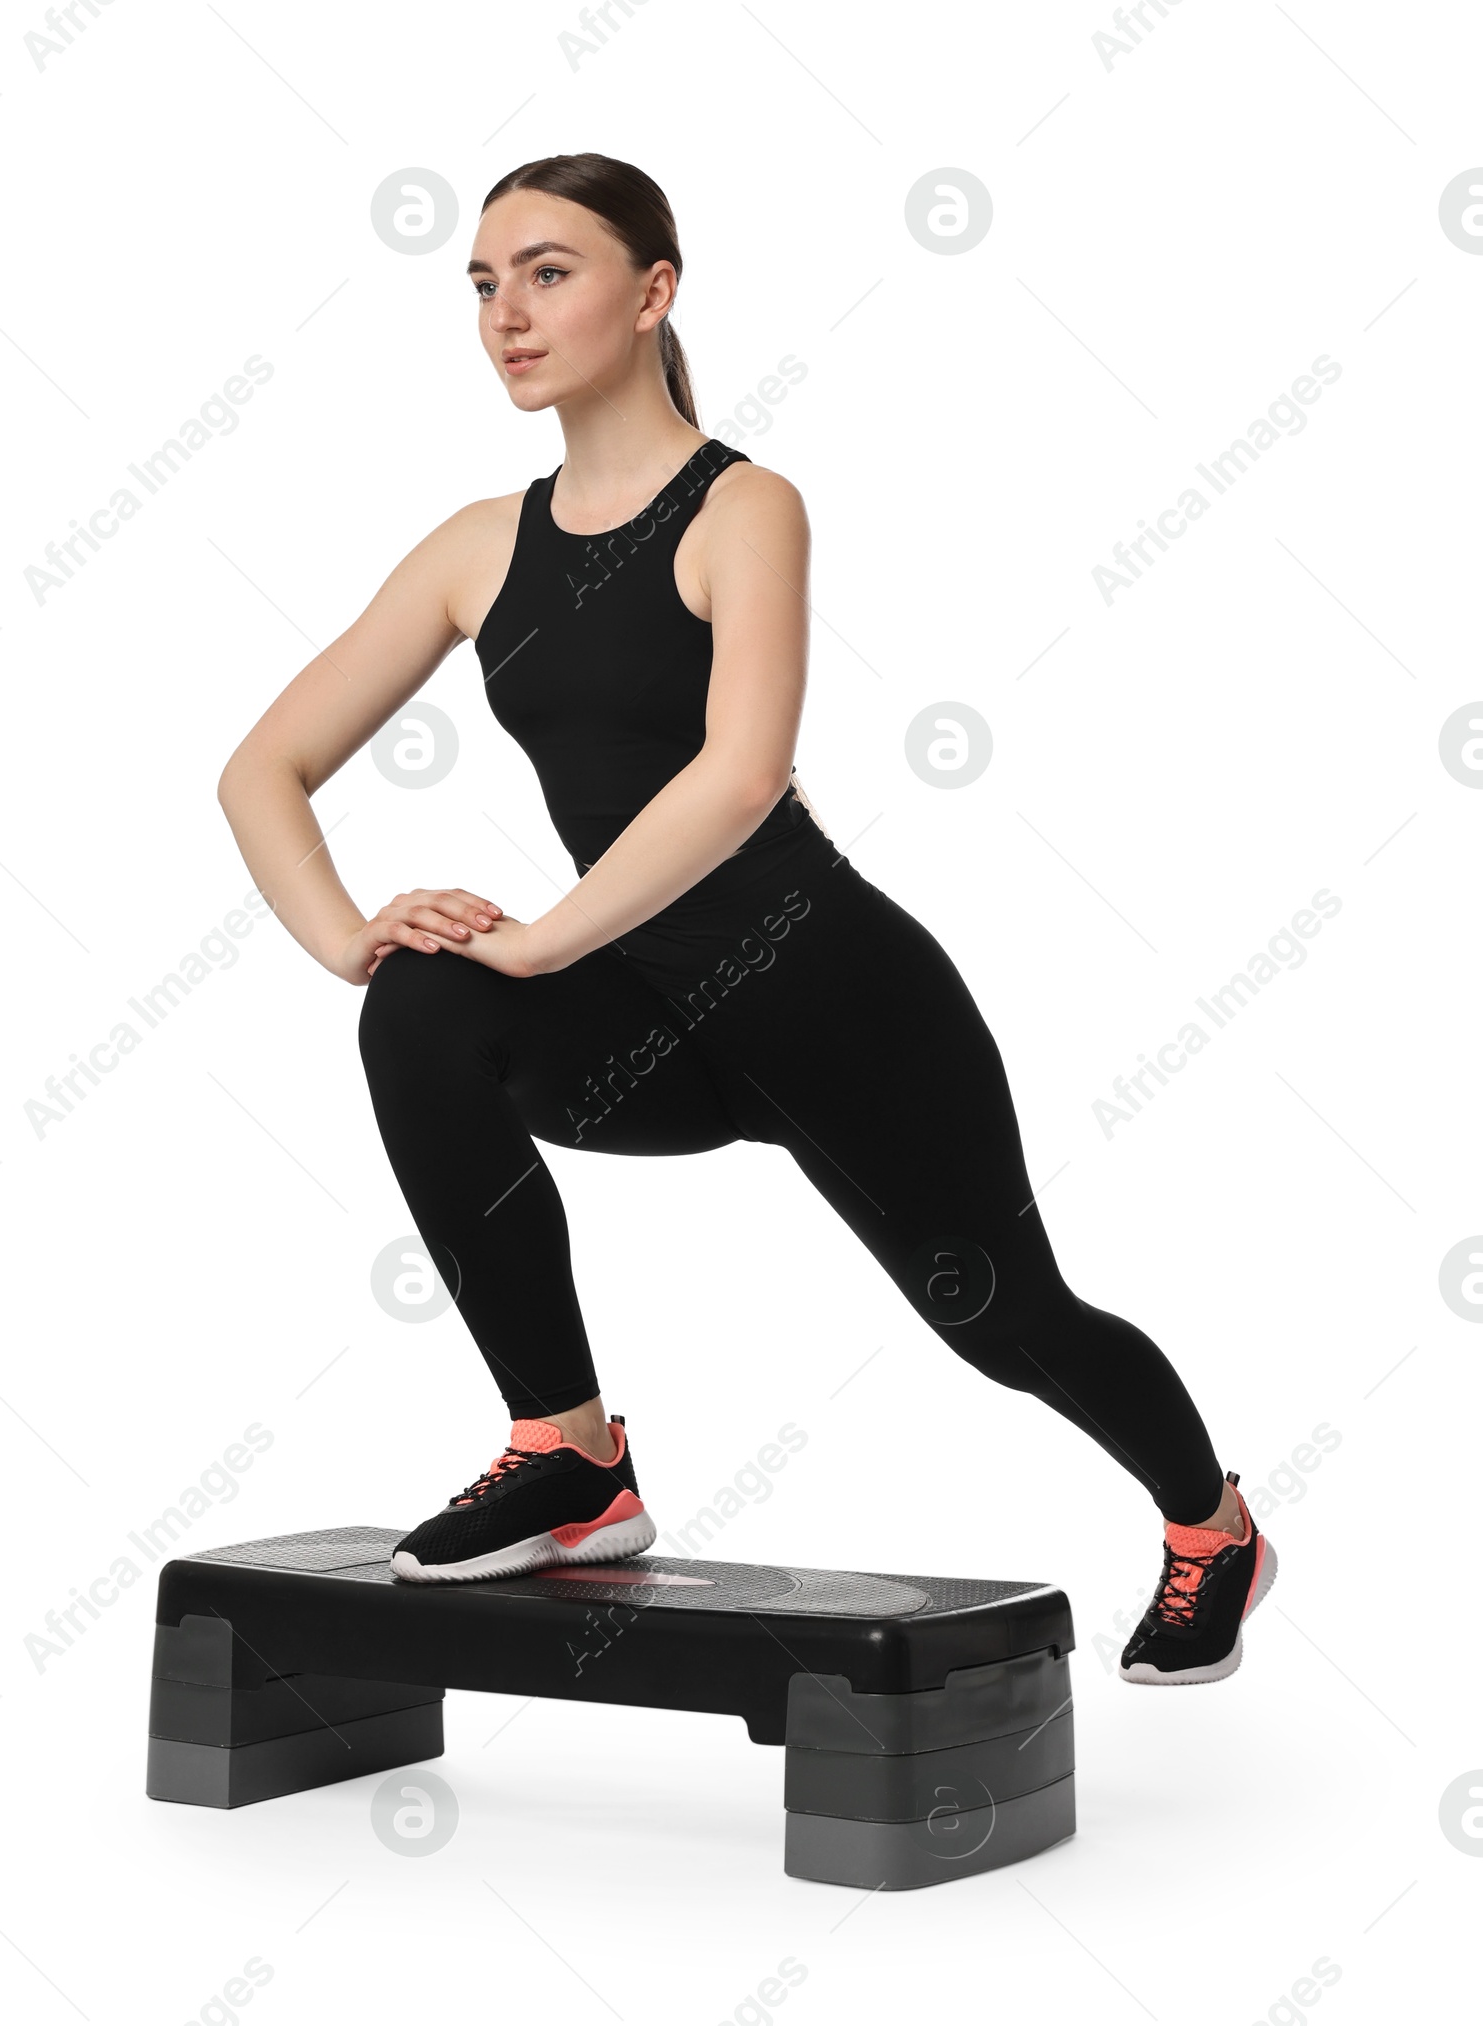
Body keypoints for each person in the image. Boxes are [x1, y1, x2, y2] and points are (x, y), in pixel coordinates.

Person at [216, 152, 1278, 1686]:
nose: (505, 311)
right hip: (656, 1026)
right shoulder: (474, 547)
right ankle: (571, 1454)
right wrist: (355, 935)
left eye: (550, 271)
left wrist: (543, 934)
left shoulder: (745, 506)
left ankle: (1211, 1524)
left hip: (836, 1001)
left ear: (654, 293)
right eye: (483, 281)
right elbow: (263, 768)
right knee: (423, 1004)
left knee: (1003, 1319)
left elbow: (736, 779)